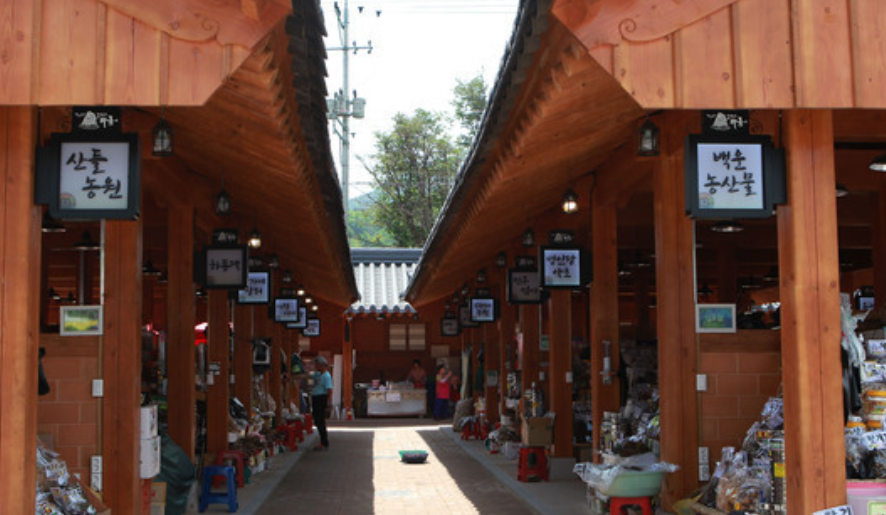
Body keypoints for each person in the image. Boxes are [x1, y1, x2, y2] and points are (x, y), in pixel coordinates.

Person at [311, 355, 333, 450]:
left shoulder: (326, 376)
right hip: (316, 398)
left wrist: (328, 402)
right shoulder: (318, 374)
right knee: (317, 419)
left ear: (322, 365)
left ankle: (324, 442)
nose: (316, 367)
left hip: (321, 398)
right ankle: (323, 441)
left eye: (317, 365)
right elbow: (309, 376)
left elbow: (329, 390)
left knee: (320, 420)